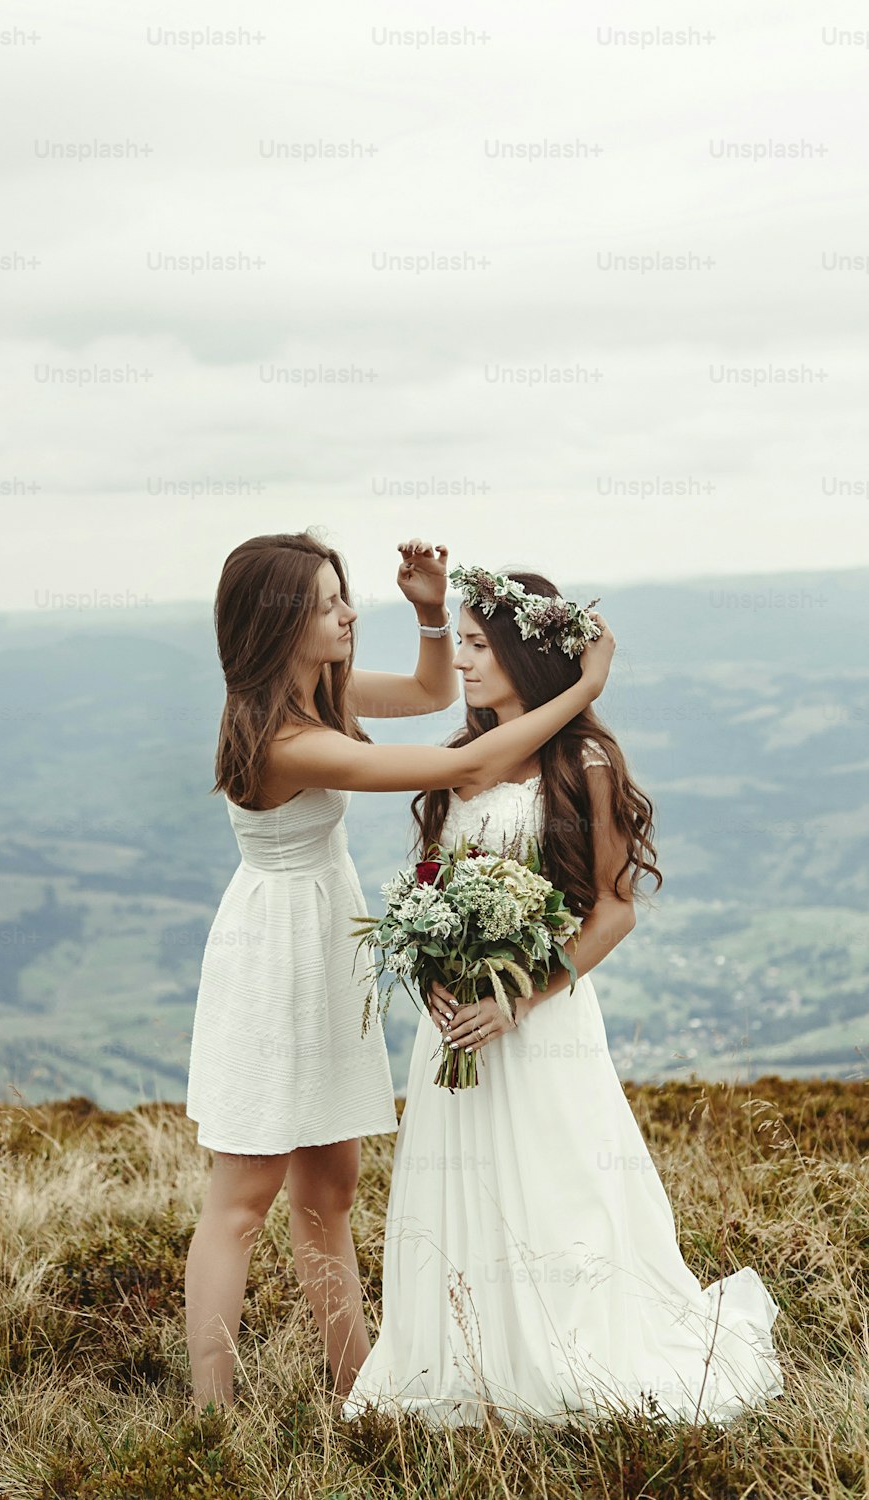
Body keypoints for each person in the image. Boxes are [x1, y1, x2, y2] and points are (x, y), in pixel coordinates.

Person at [342, 564, 784, 1431]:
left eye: (476, 644)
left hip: (541, 1025)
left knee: (558, 1188)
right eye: (458, 642)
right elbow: (432, 884)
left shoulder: (584, 766)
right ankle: (465, 1367)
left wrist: (520, 997)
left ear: (522, 654)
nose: (460, 663)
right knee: (454, 1193)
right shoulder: (459, 761)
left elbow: (615, 909)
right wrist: (437, 967)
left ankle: (561, 1362)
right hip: (454, 1031)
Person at [183, 533, 616, 1411]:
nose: (348, 612)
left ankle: (356, 1388)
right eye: (328, 602)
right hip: (272, 958)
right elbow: (467, 761)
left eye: (345, 594)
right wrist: (584, 687)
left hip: (326, 949)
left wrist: (428, 614)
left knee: (328, 1191)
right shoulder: (283, 736)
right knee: (245, 1195)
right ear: (280, 623)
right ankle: (212, 1418)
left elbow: (428, 694)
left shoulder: (320, 695)